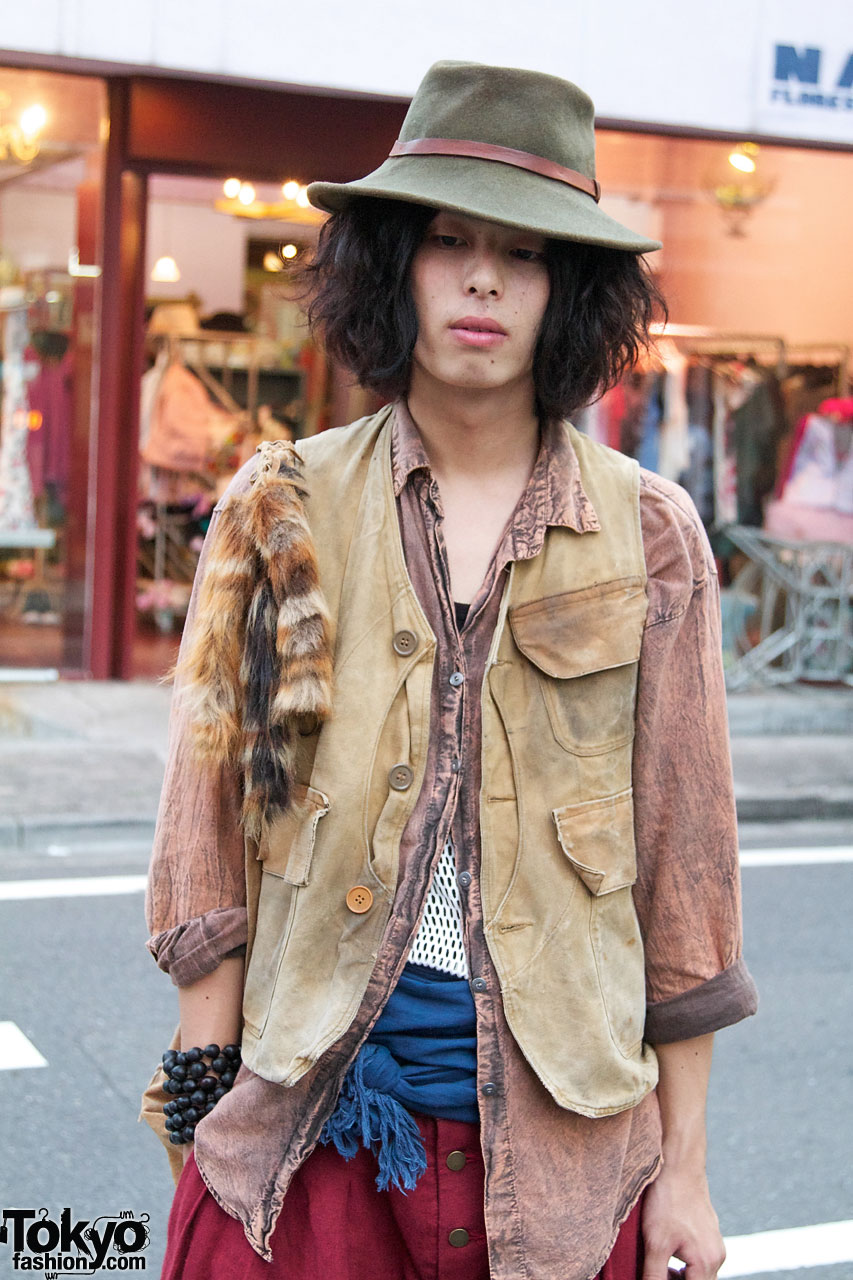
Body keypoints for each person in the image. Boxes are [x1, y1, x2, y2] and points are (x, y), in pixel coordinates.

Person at [143, 60, 757, 1280]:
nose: (482, 277)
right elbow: (210, 827)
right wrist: (202, 1101)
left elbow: (686, 881)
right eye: (446, 240)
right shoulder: (281, 504)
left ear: (567, 289)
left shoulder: (650, 534)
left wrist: (682, 1169)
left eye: (522, 252)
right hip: (312, 1131)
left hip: (565, 1153)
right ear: (391, 267)